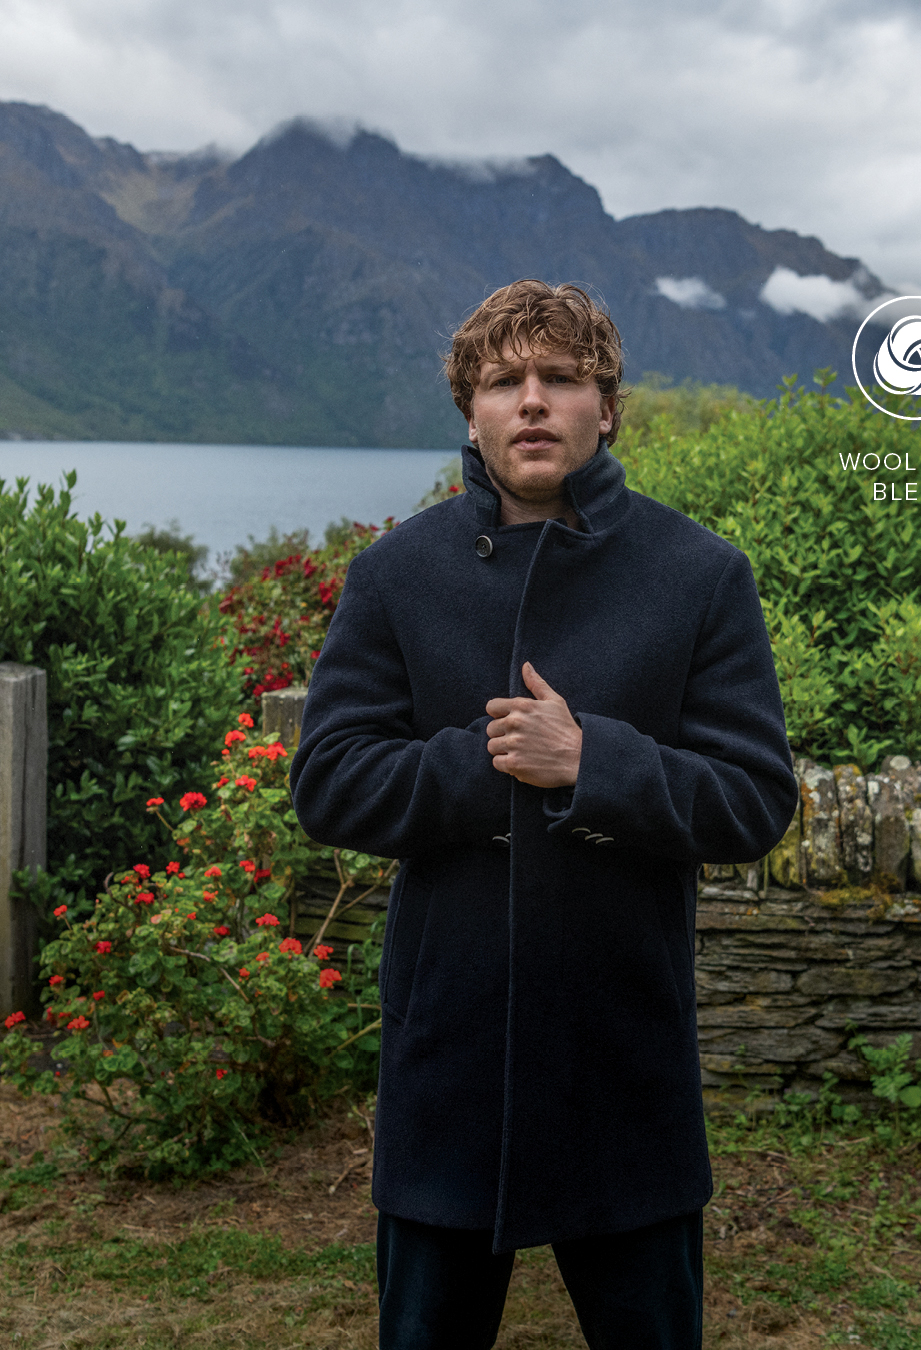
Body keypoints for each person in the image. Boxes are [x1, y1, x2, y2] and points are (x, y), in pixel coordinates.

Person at [289, 279, 798, 1348]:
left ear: (604, 405)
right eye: (503, 381)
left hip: (624, 1057)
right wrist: (490, 764)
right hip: (449, 1059)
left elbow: (755, 799)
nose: (532, 401)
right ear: (469, 411)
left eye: (561, 378)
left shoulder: (700, 575)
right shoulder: (395, 574)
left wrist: (591, 763)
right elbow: (328, 779)